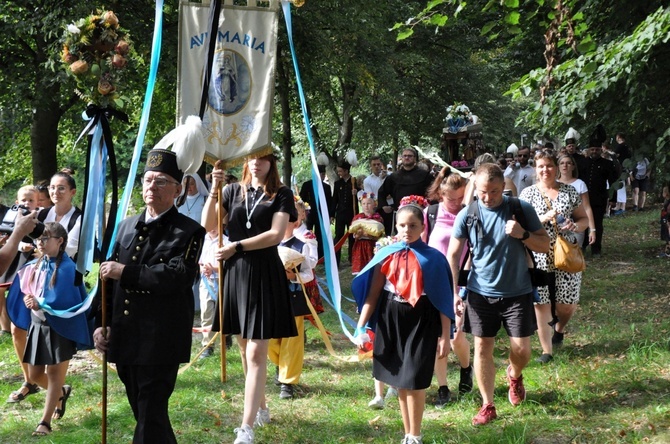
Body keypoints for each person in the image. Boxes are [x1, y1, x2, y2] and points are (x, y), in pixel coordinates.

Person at [94, 143, 206, 443]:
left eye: (161, 181)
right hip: (126, 335)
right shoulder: (127, 226)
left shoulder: (189, 231)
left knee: (150, 409)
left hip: (161, 338)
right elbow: (107, 278)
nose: (152, 186)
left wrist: (126, 272)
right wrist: (99, 323)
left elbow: (178, 276)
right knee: (146, 414)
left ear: (178, 189)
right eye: (148, 179)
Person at [201, 153, 298, 444]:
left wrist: (237, 247)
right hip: (236, 273)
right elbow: (209, 224)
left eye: (262, 159)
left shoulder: (281, 194)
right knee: (244, 349)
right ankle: (261, 407)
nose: (256, 163)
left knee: (257, 352)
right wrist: (214, 191)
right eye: (251, 159)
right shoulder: (232, 191)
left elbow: (276, 234)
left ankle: (246, 428)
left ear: (272, 163)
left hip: (263, 270)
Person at [447, 163, 550, 425]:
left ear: (503, 187)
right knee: (482, 347)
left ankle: (514, 374)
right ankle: (488, 404)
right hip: (480, 293)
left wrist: (523, 234)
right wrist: (454, 292)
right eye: (483, 192)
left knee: (523, 350)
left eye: (494, 192)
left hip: (518, 291)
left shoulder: (519, 209)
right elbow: (453, 254)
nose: (488, 198)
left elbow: (545, 244)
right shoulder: (468, 213)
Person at [353, 196, 454, 444]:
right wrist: (361, 327)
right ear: (395, 226)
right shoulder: (386, 254)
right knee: (400, 379)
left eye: (412, 226)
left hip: (422, 320)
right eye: (401, 226)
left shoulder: (434, 258)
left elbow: (443, 300)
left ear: (422, 227)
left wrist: (445, 335)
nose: (406, 231)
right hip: (391, 319)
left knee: (416, 379)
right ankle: (407, 434)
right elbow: (373, 295)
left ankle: (416, 434)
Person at [6, 222, 93, 436]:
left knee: (54, 374)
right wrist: (29, 298)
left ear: (60, 241)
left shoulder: (68, 268)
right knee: (35, 375)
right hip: (38, 325)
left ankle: (44, 422)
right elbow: (33, 288)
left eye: (45, 238)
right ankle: (61, 392)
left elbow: (65, 300)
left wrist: (40, 303)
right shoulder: (39, 263)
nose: (40, 243)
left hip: (60, 327)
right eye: (38, 239)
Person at [519, 150, 590, 362]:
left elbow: (583, 219)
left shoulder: (569, 192)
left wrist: (574, 225)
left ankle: (559, 328)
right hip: (538, 255)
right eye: (541, 166)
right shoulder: (527, 195)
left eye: (549, 165)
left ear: (556, 167)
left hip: (566, 252)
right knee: (540, 303)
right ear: (535, 169)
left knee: (566, 304)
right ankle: (546, 351)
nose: (545, 170)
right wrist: (542, 218)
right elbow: (521, 226)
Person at [422, 168, 472, 407]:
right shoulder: (429, 214)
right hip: (434, 282)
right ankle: (443, 387)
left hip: (462, 281)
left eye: (460, 198)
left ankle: (466, 368)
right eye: (451, 198)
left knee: (456, 336)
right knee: (437, 337)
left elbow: (473, 250)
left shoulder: (469, 215)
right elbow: (420, 246)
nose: (455, 203)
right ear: (441, 194)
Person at [269, 198, 316, 400]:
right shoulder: (269, 242)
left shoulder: (301, 245)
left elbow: (309, 274)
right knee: (270, 338)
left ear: (295, 223)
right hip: (271, 296)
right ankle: (279, 365)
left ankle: (287, 381)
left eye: (286, 220)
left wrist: (292, 276)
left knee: (292, 340)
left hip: (293, 296)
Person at [3, 186, 43, 403]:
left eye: (31, 200)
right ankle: (29, 380)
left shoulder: (44, 221)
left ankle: (50, 384)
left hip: (41, 281)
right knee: (16, 329)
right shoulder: (11, 220)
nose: (26, 203)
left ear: (39, 203)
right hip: (19, 278)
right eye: (23, 200)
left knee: (40, 331)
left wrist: (36, 249)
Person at [575, 125, 618, 256]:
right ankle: (582, 246)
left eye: (597, 149)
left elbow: (613, 183)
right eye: (592, 149)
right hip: (582, 198)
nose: (594, 151)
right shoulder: (582, 163)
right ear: (589, 150)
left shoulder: (608, 164)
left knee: (597, 224)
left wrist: (613, 199)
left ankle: (596, 249)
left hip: (599, 198)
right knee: (582, 223)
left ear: (600, 150)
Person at [377, 148, 434, 235]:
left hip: (420, 214)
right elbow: (382, 192)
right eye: (405, 156)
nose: (407, 158)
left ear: (415, 158)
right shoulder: (393, 177)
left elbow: (433, 192)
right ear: (402, 158)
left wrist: (430, 207)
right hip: (400, 215)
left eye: (410, 156)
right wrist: (384, 205)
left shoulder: (425, 175)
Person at [38, 170, 82, 259]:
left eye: (61, 188)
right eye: (52, 187)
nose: (55, 192)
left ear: (73, 192)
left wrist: (40, 254)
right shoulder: (42, 214)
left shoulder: (79, 219)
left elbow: (69, 249)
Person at [197, 228, 226, 359]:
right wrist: (203, 268)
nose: (213, 228)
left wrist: (213, 268)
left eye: (216, 224)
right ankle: (207, 345)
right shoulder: (201, 241)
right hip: (206, 281)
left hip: (223, 281)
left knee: (224, 313)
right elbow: (198, 261)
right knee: (207, 312)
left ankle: (226, 336)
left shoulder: (226, 241)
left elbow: (229, 265)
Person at [557, 153, 596, 247]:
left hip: (576, 226)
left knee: (574, 256)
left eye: (568, 163)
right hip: (557, 227)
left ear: (573, 166)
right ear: (558, 166)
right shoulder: (554, 183)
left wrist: (592, 230)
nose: (565, 165)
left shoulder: (580, 184)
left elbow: (587, 208)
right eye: (562, 163)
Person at [299, 165, 333, 260]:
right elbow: (302, 199)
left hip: (321, 215)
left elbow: (329, 202)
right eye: (320, 174)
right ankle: (306, 253)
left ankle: (320, 255)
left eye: (323, 174)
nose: (322, 176)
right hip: (308, 214)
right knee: (306, 234)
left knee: (320, 236)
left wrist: (329, 215)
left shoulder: (326, 187)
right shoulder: (307, 185)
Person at [350, 193, 384, 274]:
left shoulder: (378, 218)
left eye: (369, 203)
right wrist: (358, 234)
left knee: (372, 268)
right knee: (361, 269)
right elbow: (354, 234)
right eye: (363, 204)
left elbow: (379, 234)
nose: (366, 206)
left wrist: (368, 234)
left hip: (373, 245)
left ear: (374, 204)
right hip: (360, 246)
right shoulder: (357, 218)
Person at [333, 160, 359, 266]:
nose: (339, 173)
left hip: (352, 214)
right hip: (340, 213)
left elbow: (363, 196)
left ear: (346, 171)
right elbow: (334, 199)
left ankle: (352, 258)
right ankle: (336, 260)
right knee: (338, 236)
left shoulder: (354, 182)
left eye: (340, 171)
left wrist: (357, 193)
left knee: (352, 236)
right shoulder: (337, 183)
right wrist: (331, 214)